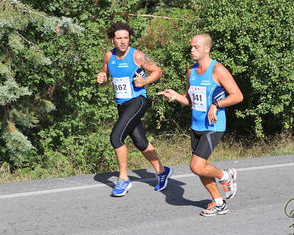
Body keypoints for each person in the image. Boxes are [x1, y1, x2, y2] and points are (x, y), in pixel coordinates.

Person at [158, 33, 243, 216]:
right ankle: (219, 202)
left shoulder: (217, 70)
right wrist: (176, 96)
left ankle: (227, 176)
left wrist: (217, 104)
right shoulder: (191, 72)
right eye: (191, 46)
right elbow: (190, 100)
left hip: (213, 126)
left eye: (196, 47)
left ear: (207, 49)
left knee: (196, 166)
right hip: (196, 125)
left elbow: (237, 95)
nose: (192, 50)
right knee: (202, 168)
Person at [97, 22, 173, 197]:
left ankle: (123, 179)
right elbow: (105, 73)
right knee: (140, 141)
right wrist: (102, 77)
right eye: (119, 38)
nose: (123, 41)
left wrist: (145, 81)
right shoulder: (109, 56)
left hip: (137, 101)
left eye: (126, 38)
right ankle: (162, 171)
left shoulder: (137, 55)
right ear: (113, 40)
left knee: (116, 137)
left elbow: (157, 70)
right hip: (121, 105)